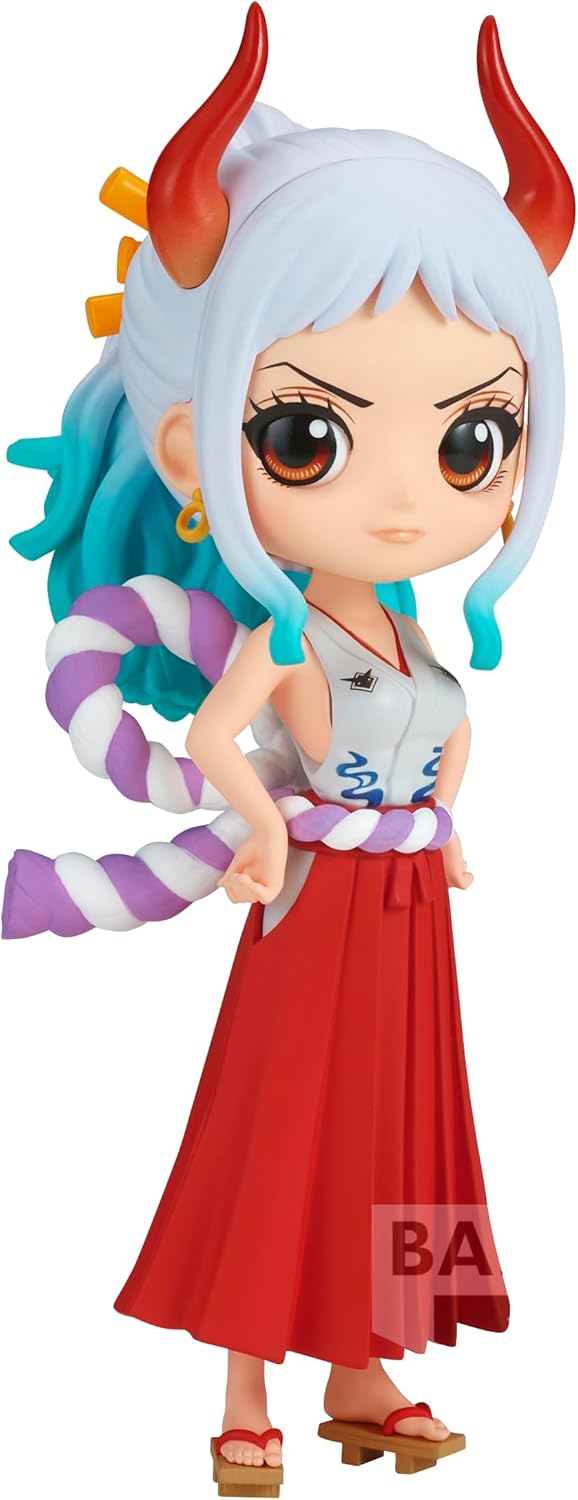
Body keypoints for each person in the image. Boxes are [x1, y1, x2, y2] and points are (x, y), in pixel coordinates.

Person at [4, 5, 574, 1490]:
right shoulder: (288, 633)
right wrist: (260, 828)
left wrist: (447, 826)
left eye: (469, 443)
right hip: (312, 909)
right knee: (280, 1140)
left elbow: (452, 734)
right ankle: (245, 1391)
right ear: (194, 447)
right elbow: (212, 733)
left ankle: (373, 1361)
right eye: (311, 439)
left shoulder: (410, 631)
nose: (408, 500)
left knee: (404, 1135)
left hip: (405, 916)